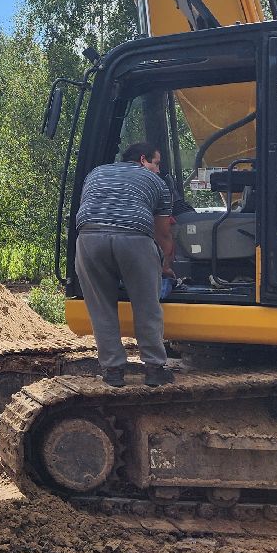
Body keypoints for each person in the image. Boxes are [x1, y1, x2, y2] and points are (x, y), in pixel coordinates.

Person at [74, 141, 176, 387]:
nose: (159, 170)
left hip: (89, 239)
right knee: (147, 305)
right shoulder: (157, 184)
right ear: (143, 160)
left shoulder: (96, 173)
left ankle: (112, 371)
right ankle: (153, 369)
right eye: (156, 163)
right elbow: (162, 234)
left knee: (101, 308)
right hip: (134, 239)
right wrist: (166, 264)